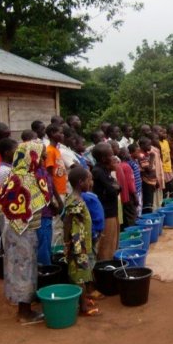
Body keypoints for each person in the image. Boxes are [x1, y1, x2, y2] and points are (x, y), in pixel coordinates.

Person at [0, 141, 50, 323]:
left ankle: (23, 305)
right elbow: (2, 204)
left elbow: (1, 202)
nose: (43, 159)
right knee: (24, 268)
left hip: (18, 230)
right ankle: (24, 312)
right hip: (21, 231)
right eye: (40, 156)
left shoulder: (19, 175)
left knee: (21, 267)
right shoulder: (25, 178)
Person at [63, 166, 101, 316]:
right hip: (78, 246)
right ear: (80, 182)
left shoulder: (76, 199)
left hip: (82, 243)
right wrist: (67, 243)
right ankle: (83, 308)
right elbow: (67, 222)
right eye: (89, 180)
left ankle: (83, 300)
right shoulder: (75, 202)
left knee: (83, 274)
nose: (91, 183)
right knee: (80, 276)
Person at [91, 142, 120, 260]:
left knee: (114, 243)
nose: (113, 157)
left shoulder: (105, 170)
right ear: (103, 158)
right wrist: (115, 187)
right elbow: (113, 190)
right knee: (106, 246)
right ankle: (105, 269)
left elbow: (117, 187)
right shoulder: (98, 172)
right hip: (106, 214)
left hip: (112, 211)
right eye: (111, 155)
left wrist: (115, 187)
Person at [45, 123, 68, 253]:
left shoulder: (56, 150)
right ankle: (55, 251)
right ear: (53, 134)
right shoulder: (49, 151)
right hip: (56, 193)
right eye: (60, 132)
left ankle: (58, 249)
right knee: (57, 224)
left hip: (62, 191)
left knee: (60, 223)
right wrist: (56, 198)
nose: (63, 135)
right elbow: (49, 176)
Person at [118, 148, 138, 229]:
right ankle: (132, 233)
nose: (129, 155)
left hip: (122, 197)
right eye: (127, 153)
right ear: (123, 155)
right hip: (129, 196)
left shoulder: (119, 165)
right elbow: (130, 184)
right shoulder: (126, 166)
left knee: (125, 216)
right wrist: (135, 196)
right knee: (132, 216)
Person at [138, 137, 157, 213]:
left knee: (150, 202)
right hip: (146, 182)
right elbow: (149, 170)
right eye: (148, 145)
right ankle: (147, 220)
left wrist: (156, 180)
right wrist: (152, 157)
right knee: (147, 204)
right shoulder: (141, 155)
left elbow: (152, 168)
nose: (150, 147)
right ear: (142, 145)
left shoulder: (147, 154)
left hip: (151, 181)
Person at [158, 126, 173, 198]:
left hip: (169, 169)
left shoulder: (166, 142)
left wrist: (171, 167)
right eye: (163, 133)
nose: (165, 134)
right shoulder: (157, 143)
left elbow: (168, 156)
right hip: (163, 170)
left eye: (166, 133)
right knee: (165, 190)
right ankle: (165, 206)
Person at [128, 143, 143, 215]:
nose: (139, 153)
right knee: (137, 207)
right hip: (135, 190)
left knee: (140, 206)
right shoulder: (130, 163)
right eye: (137, 152)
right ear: (131, 153)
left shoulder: (136, 161)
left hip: (139, 188)